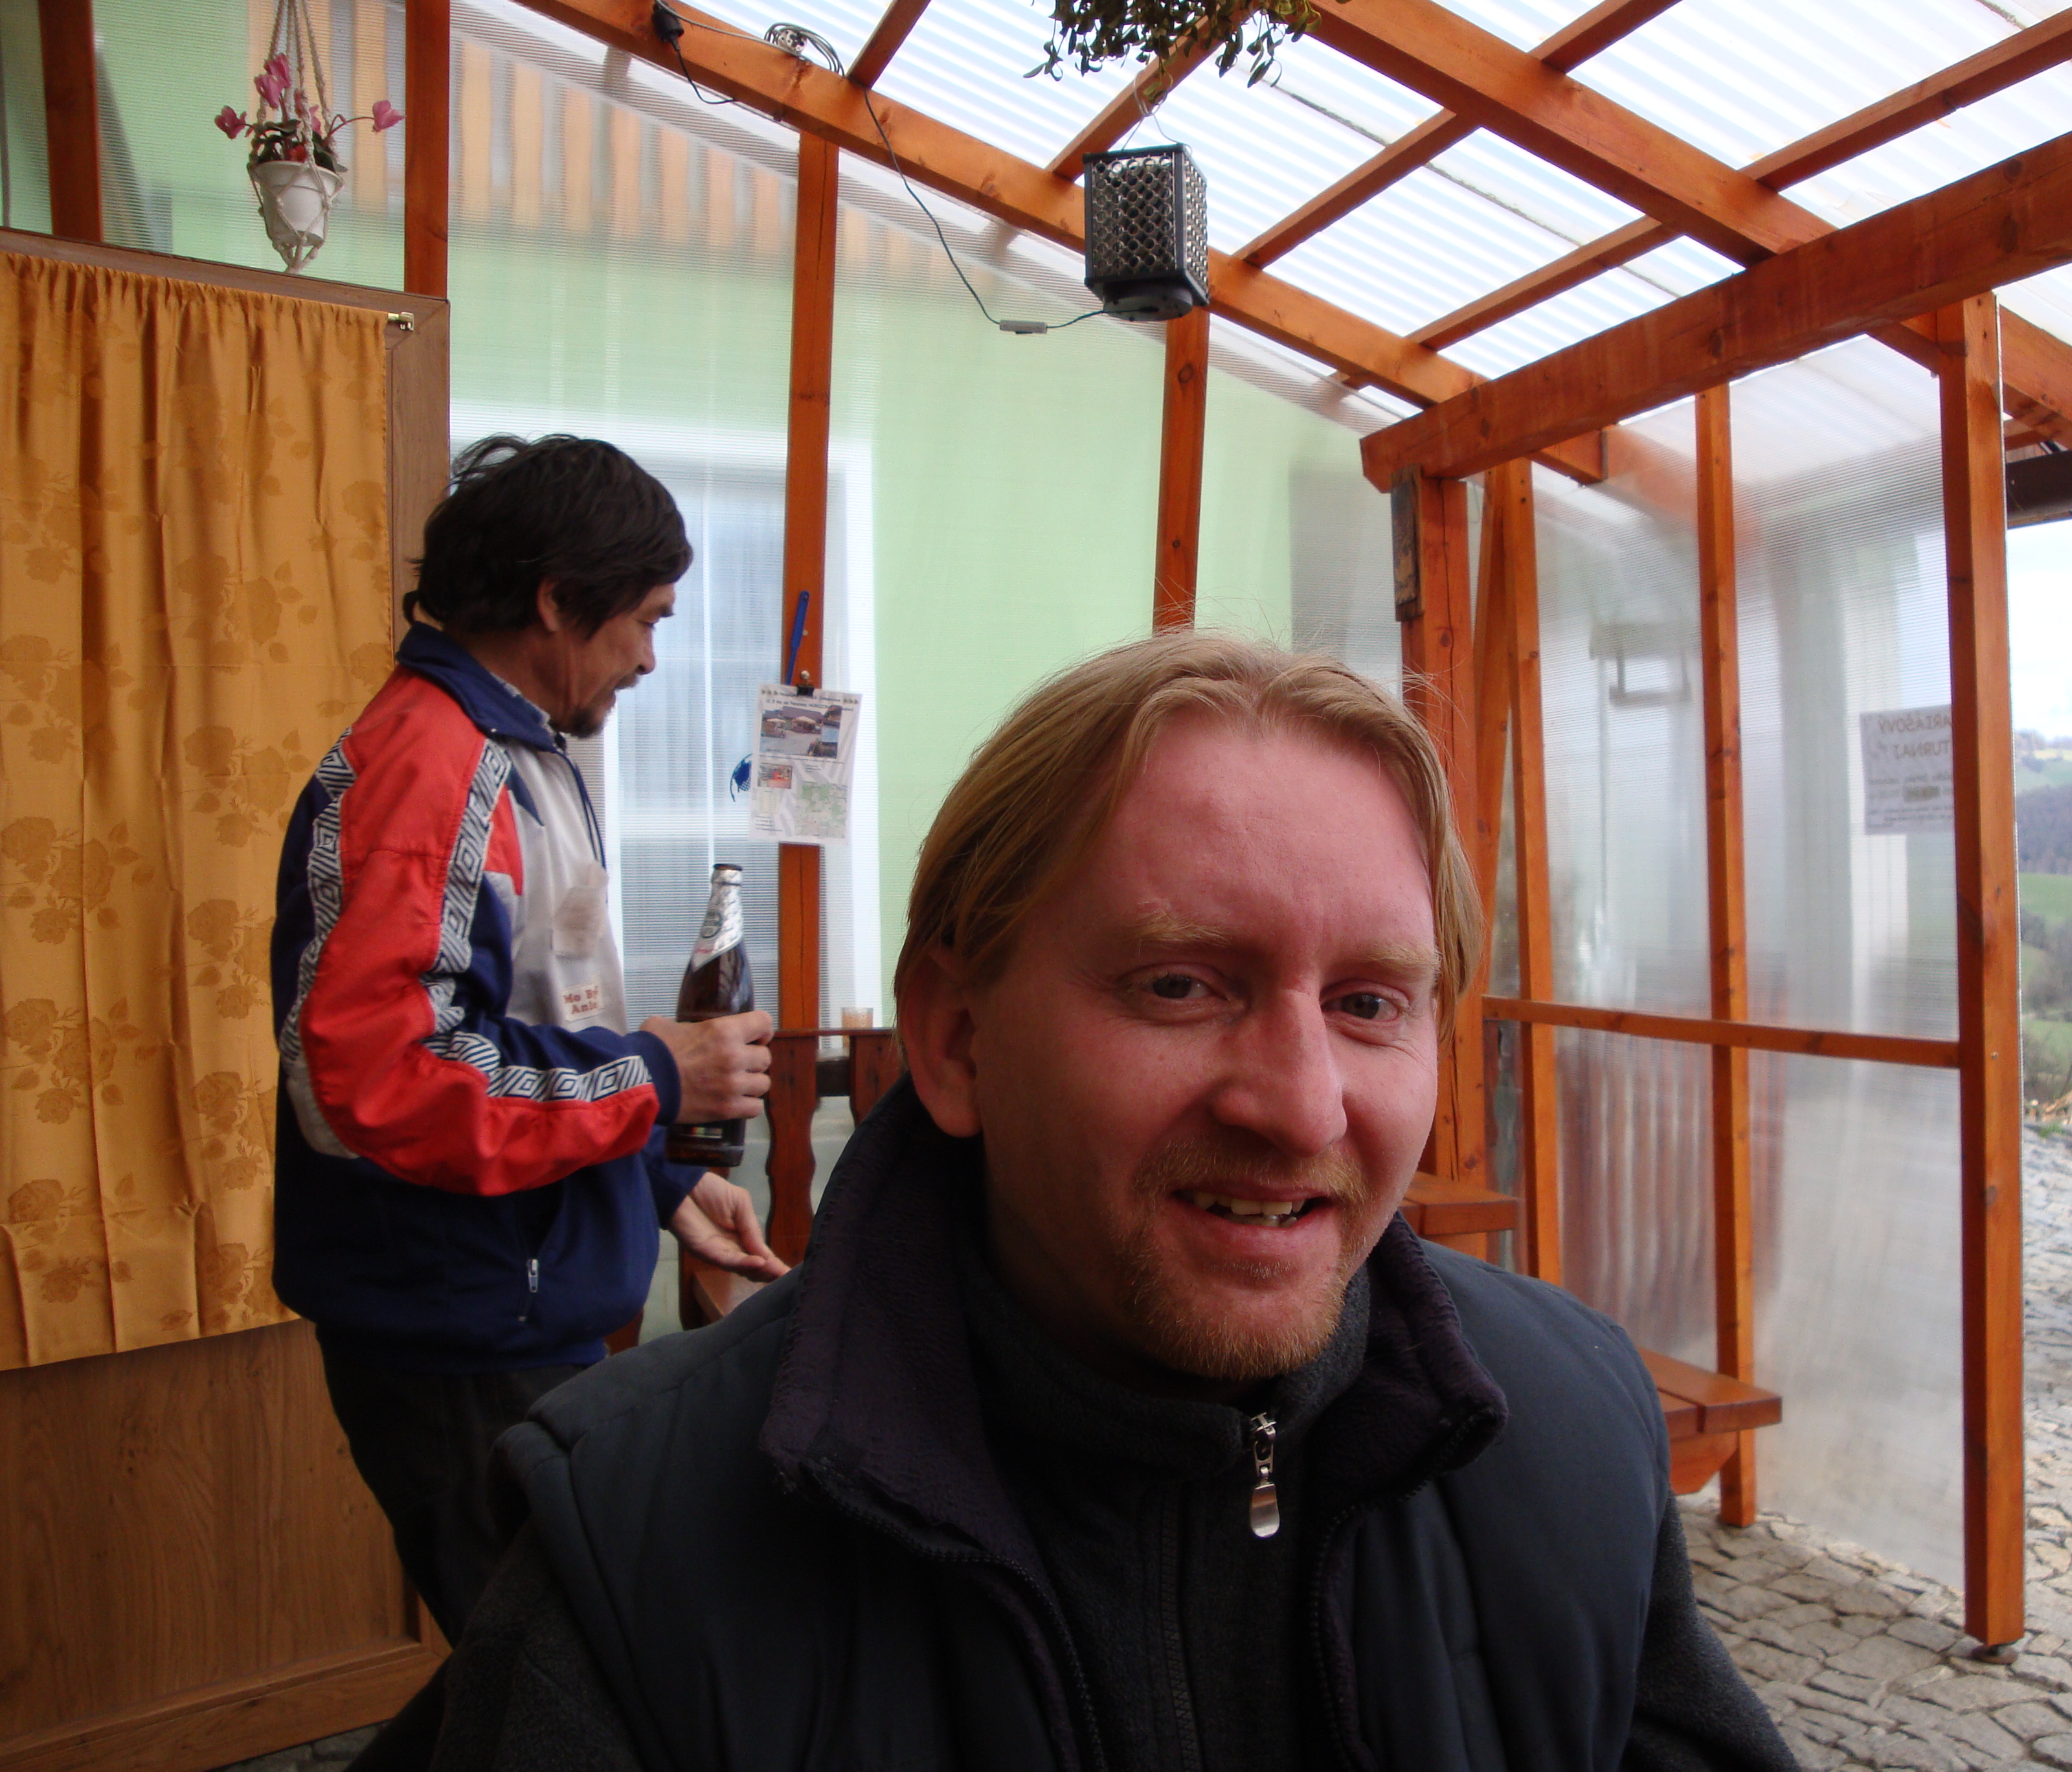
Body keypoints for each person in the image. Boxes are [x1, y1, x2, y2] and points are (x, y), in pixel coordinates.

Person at [423, 631, 1801, 1772]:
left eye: (1370, 1003)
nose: (1304, 1107)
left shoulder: (1568, 1433)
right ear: (958, 1039)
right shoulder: (635, 1553)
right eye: (1181, 984)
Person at [270, 435, 785, 1657]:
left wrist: (655, 1181)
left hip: (519, 1308)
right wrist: (659, 1076)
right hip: (461, 1332)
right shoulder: (430, 769)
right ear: (556, 601)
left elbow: (531, 1026)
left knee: (579, 1674)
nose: (651, 657)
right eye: (644, 619)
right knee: (562, 1683)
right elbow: (380, 1085)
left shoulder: (520, 754)